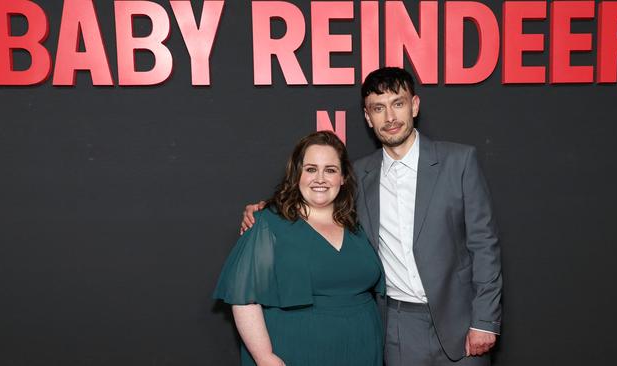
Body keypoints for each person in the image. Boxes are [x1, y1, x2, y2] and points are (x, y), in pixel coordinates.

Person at [242, 67, 502, 366]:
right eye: (379, 108)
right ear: (368, 117)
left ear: (414, 105)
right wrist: (266, 209)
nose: (390, 117)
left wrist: (485, 320)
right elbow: (316, 198)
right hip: (397, 326)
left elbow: (484, 245)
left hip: (461, 321)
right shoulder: (359, 176)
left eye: (398, 103)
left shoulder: (459, 162)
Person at [214, 131, 385, 366]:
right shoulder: (267, 224)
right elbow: (245, 299)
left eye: (331, 170)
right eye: (311, 169)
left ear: (343, 177)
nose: (320, 178)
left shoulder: (357, 224)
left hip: (361, 348)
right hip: (295, 350)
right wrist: (264, 357)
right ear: (297, 175)